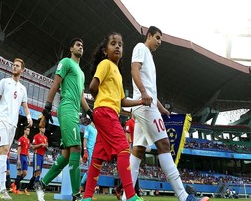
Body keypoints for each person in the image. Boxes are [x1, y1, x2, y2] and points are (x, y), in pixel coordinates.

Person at [130, 26, 207, 201]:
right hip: (144, 105)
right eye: (157, 38)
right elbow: (134, 70)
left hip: (147, 105)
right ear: (149, 35)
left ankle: (128, 195)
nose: (159, 42)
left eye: (161, 40)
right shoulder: (140, 48)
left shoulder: (149, 56)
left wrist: (161, 108)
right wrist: (143, 93)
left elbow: (150, 89)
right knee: (164, 144)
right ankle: (184, 196)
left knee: (138, 150)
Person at [82, 32, 144, 201]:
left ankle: (87, 197)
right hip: (105, 113)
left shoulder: (117, 72)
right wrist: (101, 102)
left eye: (120, 44)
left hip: (108, 113)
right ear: (104, 50)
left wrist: (140, 101)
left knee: (98, 156)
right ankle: (131, 196)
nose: (117, 46)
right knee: (124, 147)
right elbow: (93, 86)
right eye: (113, 43)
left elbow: (122, 100)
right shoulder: (106, 64)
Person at [35, 38, 92, 201]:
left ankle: (41, 184)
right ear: (71, 48)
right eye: (78, 45)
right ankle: (76, 195)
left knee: (67, 155)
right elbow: (55, 84)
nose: (81, 47)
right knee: (77, 149)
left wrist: (90, 112)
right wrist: (47, 108)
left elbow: (81, 97)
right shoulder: (66, 62)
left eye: (82, 45)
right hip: (66, 109)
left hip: (75, 113)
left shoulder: (81, 73)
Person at [0, 58, 33, 200]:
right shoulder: (3, 82)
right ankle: (3, 190)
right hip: (2, 120)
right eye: (13, 65)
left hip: (13, 124)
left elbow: (25, 105)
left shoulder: (23, 88)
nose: (14, 67)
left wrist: (28, 116)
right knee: (2, 151)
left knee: (1, 155)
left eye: (17, 66)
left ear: (22, 70)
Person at [27, 127, 48, 192]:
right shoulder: (36, 136)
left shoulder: (45, 138)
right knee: (37, 171)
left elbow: (47, 148)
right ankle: (36, 186)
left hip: (42, 156)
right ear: (40, 129)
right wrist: (41, 145)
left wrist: (45, 146)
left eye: (44, 128)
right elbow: (33, 146)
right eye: (43, 128)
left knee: (37, 173)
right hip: (37, 155)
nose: (44, 129)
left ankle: (28, 187)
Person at [12, 126, 31, 195]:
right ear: (24, 131)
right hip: (21, 156)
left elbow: (28, 150)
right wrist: (19, 159)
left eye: (29, 130)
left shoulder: (28, 140)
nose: (28, 132)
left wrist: (29, 159)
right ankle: (17, 189)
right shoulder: (21, 139)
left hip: (25, 157)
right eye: (27, 130)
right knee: (19, 173)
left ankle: (14, 184)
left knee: (25, 173)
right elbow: (19, 149)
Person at [80, 117, 97, 192]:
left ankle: (88, 189)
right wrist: (85, 151)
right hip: (90, 151)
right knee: (91, 170)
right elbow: (85, 139)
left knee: (93, 171)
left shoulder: (96, 129)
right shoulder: (88, 127)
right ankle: (81, 185)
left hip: (96, 152)